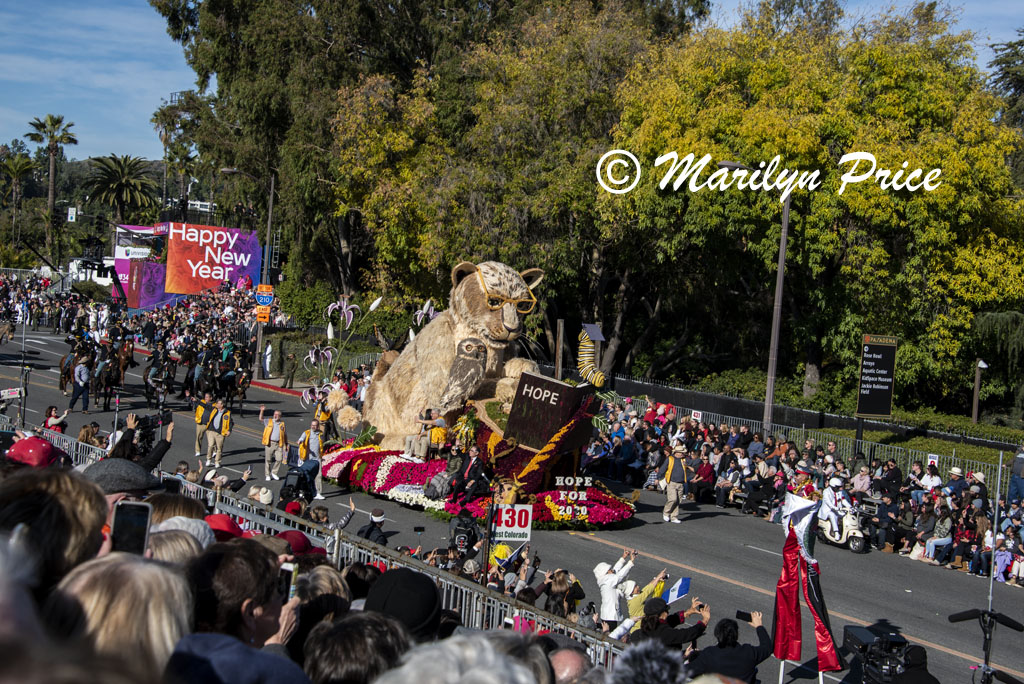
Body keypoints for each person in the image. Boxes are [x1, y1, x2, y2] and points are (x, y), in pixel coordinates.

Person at [687, 612, 772, 683]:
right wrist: (759, 626)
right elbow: (767, 647)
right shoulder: (749, 652)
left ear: (717, 634)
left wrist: (685, 656)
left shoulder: (709, 655)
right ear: (737, 635)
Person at [631, 596, 709, 649]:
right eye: (666, 610)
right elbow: (686, 634)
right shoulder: (663, 634)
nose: (668, 613)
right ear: (662, 614)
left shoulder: (647, 624)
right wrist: (705, 620)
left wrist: (688, 612)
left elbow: (669, 621)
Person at [594, 549, 637, 631]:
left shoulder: (605, 579)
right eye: (609, 570)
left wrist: (623, 558)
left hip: (607, 614)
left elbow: (615, 570)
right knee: (611, 635)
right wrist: (631, 562)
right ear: (605, 573)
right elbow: (619, 575)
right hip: (610, 615)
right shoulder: (607, 580)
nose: (611, 570)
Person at [657, 445, 688, 523]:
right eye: (681, 453)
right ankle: (666, 513)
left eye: (682, 453)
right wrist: (658, 477)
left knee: (678, 501)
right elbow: (663, 468)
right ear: (676, 453)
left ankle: (674, 516)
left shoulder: (683, 460)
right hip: (672, 482)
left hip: (680, 483)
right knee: (672, 499)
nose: (682, 454)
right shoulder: (670, 459)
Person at [259, 404, 289, 481]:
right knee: (268, 460)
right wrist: (262, 411)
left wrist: (286, 443)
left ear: (280, 416)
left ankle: (274, 472)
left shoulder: (282, 424)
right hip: (270, 443)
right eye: (274, 414)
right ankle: (267, 474)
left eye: (277, 415)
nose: (275, 416)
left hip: (279, 444)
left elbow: (284, 435)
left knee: (279, 459)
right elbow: (261, 419)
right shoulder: (269, 421)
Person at [298, 419, 326, 500]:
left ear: (318, 426)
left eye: (315, 425)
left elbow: (323, 443)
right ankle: (302, 492)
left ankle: (318, 493)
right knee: (305, 476)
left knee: (318, 476)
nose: (313, 426)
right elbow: (302, 438)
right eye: (312, 425)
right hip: (307, 459)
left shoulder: (320, 434)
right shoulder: (307, 433)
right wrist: (300, 441)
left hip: (317, 459)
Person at [204, 399, 232, 468]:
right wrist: (196, 401)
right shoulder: (214, 409)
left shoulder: (227, 413)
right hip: (211, 431)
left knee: (219, 448)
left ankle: (217, 461)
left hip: (220, 433)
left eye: (218, 403)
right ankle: (209, 459)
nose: (216, 404)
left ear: (222, 405)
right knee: (210, 445)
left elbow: (231, 422)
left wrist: (229, 430)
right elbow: (205, 406)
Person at [193, 391, 214, 459]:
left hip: (209, 425)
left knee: (211, 440)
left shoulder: (213, 405)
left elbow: (205, 406)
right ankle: (197, 451)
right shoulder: (202, 402)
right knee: (198, 437)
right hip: (201, 423)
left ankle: (213, 451)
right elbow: (195, 403)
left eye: (207, 397)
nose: (205, 398)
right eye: (205, 397)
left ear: (211, 398)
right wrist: (188, 397)